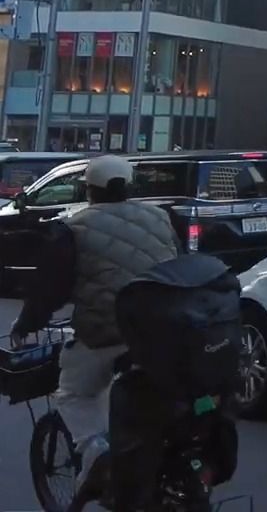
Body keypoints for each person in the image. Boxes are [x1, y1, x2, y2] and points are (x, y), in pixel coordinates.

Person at [9, 156, 181, 489]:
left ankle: (94, 449)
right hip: (164, 331)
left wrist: (26, 325)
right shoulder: (161, 218)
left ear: (90, 190)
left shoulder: (74, 227)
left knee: (74, 393)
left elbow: (50, 289)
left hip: (107, 331)